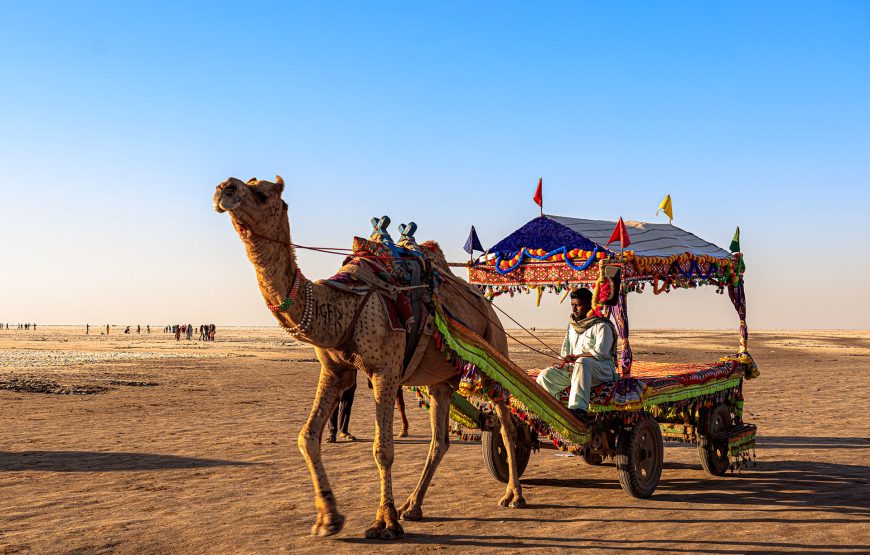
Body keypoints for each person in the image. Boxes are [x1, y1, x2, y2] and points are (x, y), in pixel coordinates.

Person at [535, 288, 618, 422]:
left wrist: (577, 357)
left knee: (582, 362)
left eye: (578, 305)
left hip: (602, 370)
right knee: (545, 375)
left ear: (589, 306)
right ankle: (548, 411)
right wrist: (565, 359)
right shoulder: (572, 326)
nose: (574, 309)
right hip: (576, 370)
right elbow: (565, 351)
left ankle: (578, 410)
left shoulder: (602, 326)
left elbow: (601, 353)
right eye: (572, 305)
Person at [327, 376, 357, 443]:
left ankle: (343, 432)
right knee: (333, 406)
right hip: (335, 378)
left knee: (346, 407)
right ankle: (332, 433)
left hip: (350, 380)